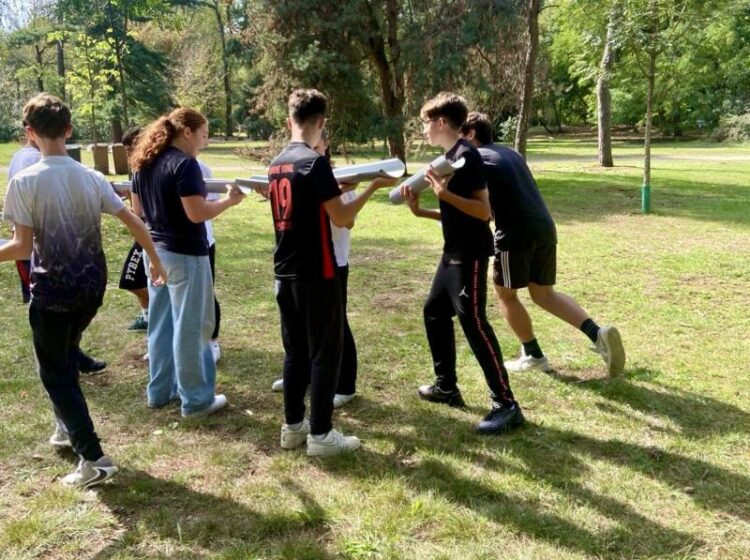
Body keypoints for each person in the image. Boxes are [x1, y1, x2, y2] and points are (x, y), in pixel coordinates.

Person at [0, 93, 166, 488]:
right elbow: (135, 222)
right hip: (92, 288)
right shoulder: (91, 177)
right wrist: (155, 261)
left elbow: (21, 247)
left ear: (29, 133)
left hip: (53, 293)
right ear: (69, 130)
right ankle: (66, 428)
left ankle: (92, 457)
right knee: (65, 357)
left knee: (56, 374)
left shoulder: (24, 182)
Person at [270, 89, 393, 456]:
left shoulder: (277, 163)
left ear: (290, 120)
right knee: (326, 354)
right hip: (317, 272)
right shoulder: (315, 162)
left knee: (295, 353)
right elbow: (342, 217)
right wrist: (372, 187)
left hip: (284, 271)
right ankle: (321, 434)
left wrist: (336, 191)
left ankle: (293, 426)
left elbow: (310, 206)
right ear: (322, 122)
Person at [459, 112, 626, 376]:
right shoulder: (510, 153)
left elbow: (483, 209)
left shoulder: (476, 158)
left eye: (459, 134)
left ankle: (533, 355)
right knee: (544, 294)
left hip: (515, 233)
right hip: (545, 227)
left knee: (505, 294)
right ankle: (597, 333)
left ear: (470, 134)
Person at [400, 92, 524, 434]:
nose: (423, 129)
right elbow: (456, 213)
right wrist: (423, 210)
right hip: (451, 252)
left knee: (474, 322)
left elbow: (483, 212)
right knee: (434, 312)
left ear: (441, 122)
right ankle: (446, 387)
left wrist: (444, 194)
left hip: (469, 254)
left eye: (426, 122)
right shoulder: (449, 157)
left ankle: (506, 404)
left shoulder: (466, 156)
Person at [130, 108, 244, 417]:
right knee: (192, 327)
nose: (205, 143)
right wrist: (229, 201)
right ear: (187, 132)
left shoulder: (144, 163)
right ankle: (196, 400)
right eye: (204, 135)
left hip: (155, 254)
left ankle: (159, 391)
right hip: (185, 255)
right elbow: (197, 214)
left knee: (161, 323)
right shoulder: (185, 164)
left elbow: (138, 213)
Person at [270, 129, 359, 408]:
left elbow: (347, 221)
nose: (312, 151)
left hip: (333, 261)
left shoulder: (337, 176)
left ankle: (345, 385)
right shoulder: (296, 169)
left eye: (318, 147)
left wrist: (341, 195)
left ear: (325, 145)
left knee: (336, 325)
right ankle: (304, 376)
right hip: (304, 262)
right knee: (306, 327)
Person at [9, 125, 107, 375]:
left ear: (30, 130)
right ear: (68, 130)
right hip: (61, 262)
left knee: (58, 343)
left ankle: (70, 353)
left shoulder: (23, 161)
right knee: (58, 327)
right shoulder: (32, 163)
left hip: (52, 264)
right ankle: (69, 354)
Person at [118, 126, 150, 332]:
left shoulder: (144, 170)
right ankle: (148, 316)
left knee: (131, 280)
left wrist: (126, 206)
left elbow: (138, 213)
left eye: (130, 149)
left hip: (148, 233)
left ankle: (157, 312)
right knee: (137, 279)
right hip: (146, 231)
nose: (128, 155)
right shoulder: (140, 170)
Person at [196, 160, 222, 364]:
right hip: (173, 245)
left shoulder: (201, 167)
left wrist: (229, 200)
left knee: (205, 293)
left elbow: (211, 204)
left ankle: (212, 340)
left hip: (203, 242)